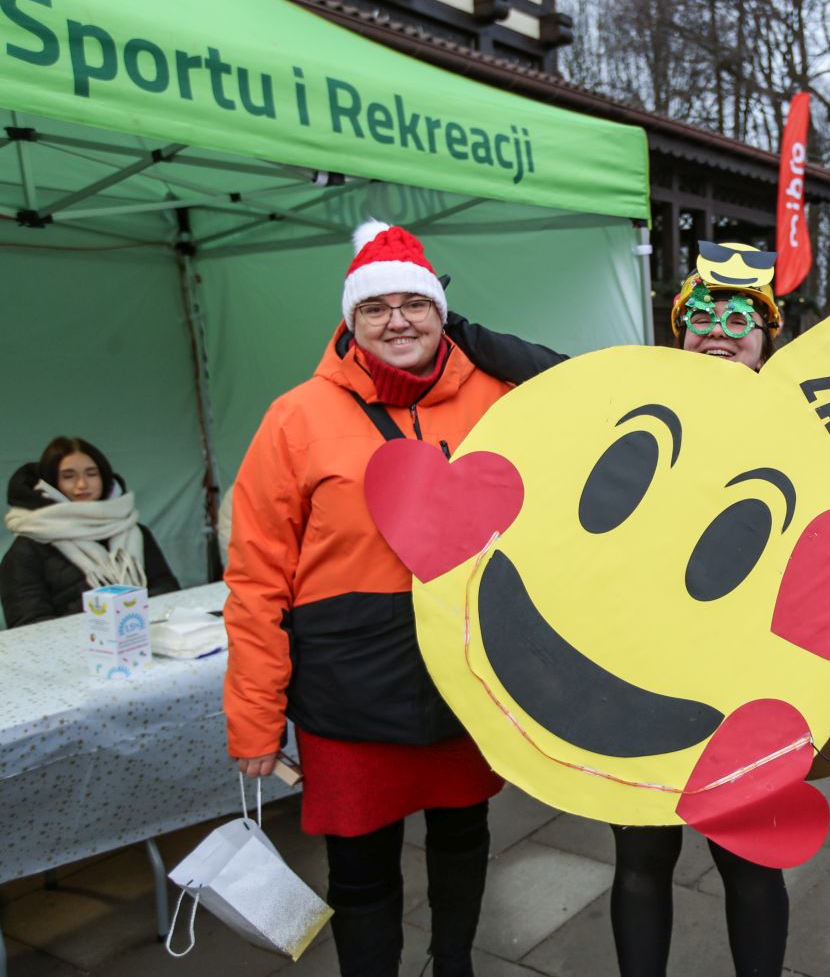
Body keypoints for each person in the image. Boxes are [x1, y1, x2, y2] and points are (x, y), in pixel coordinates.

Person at [223, 220, 560, 977]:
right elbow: (256, 576)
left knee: (463, 837)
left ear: (444, 312)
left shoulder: (499, 398)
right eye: (375, 308)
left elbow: (580, 405)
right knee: (360, 869)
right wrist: (254, 717)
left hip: (465, 672)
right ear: (351, 320)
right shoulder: (297, 417)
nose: (397, 321)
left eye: (415, 304)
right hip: (347, 687)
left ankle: (453, 963)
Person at [606, 242, 790, 977]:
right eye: (702, 317)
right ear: (679, 330)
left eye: (739, 317)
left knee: (751, 864)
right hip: (639, 678)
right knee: (640, 861)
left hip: (749, 685)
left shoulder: (804, 424)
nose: (718, 331)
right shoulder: (634, 407)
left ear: (767, 336)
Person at [2, 436, 179, 627]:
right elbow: (28, 623)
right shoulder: (28, 548)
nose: (82, 484)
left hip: (143, 634)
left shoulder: (134, 531)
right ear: (51, 483)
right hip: (72, 643)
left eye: (91, 474)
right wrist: (101, 620)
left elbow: (166, 588)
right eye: (68, 476)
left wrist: (135, 619)